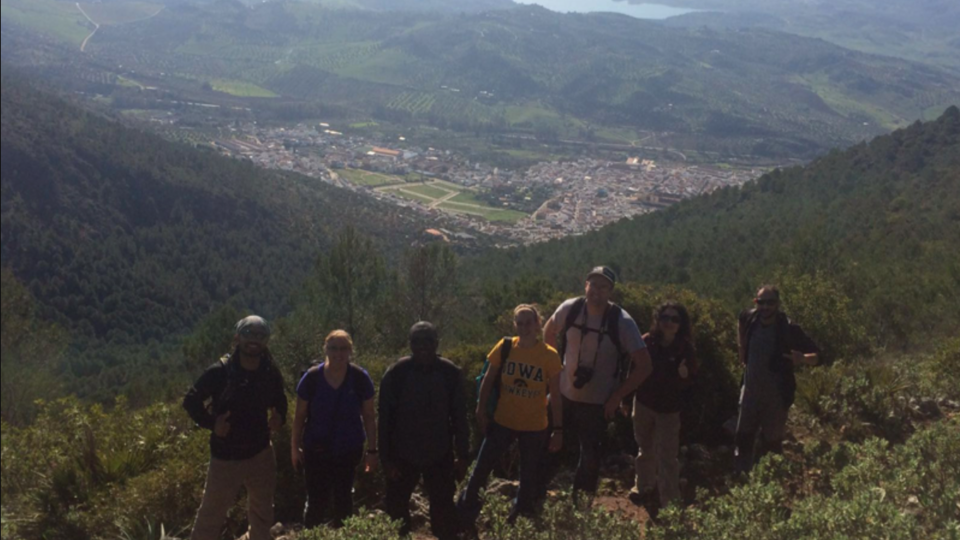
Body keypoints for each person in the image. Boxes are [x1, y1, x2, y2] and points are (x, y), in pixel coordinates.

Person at [542, 267, 653, 498]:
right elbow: (548, 331)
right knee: (546, 446)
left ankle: (580, 509)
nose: (597, 291)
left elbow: (644, 365)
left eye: (603, 287)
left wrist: (617, 396)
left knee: (590, 458)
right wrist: (554, 369)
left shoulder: (621, 321)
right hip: (563, 394)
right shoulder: (570, 308)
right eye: (593, 285)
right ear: (585, 286)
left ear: (611, 291)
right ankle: (534, 497)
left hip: (598, 403)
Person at [182, 316, 287, 540]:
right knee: (211, 514)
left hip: (261, 452)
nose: (254, 340)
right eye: (248, 334)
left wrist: (279, 417)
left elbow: (280, 399)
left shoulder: (269, 370)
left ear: (266, 340)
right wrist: (212, 424)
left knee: (262, 511)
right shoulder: (220, 372)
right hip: (226, 457)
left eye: (260, 335)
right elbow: (191, 400)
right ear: (237, 337)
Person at [458, 305, 565, 525]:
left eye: (529, 323)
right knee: (481, 469)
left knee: (528, 476)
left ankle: (519, 521)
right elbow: (488, 379)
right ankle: (464, 516)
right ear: (515, 325)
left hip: (535, 426)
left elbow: (556, 395)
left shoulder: (549, 356)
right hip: (503, 421)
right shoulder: (505, 346)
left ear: (537, 324)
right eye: (520, 323)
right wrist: (480, 408)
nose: (524, 327)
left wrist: (558, 429)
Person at [379, 322, 469, 540]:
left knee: (444, 517)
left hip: (440, 453)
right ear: (409, 344)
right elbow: (385, 421)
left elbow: (460, 419)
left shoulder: (450, 373)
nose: (422, 346)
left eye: (428, 341)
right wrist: (386, 460)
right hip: (402, 455)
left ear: (437, 343)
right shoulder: (396, 373)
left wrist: (462, 456)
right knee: (396, 517)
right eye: (417, 341)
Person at [291, 330, 378, 529]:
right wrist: (294, 448)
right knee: (316, 500)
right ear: (326, 349)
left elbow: (369, 416)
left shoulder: (359, 378)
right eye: (333, 348)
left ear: (350, 351)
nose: (338, 353)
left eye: (343, 349)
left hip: (348, 449)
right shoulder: (312, 378)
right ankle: (312, 534)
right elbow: (299, 417)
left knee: (344, 498)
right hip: (316, 449)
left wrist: (372, 451)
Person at [735, 285, 820, 474]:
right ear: (755, 303)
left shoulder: (788, 329)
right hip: (749, 391)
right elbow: (740, 321)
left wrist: (802, 358)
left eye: (770, 303)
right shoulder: (749, 318)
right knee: (743, 437)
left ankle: (770, 478)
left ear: (778, 304)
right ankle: (742, 476)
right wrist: (742, 350)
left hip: (776, 396)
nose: (765, 307)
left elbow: (818, 357)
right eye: (761, 302)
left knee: (772, 442)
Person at [629, 302, 698, 510]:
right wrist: (625, 399)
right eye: (664, 318)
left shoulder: (685, 349)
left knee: (667, 456)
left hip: (669, 409)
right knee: (645, 448)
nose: (669, 322)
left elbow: (692, 382)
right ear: (658, 320)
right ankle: (644, 486)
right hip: (644, 403)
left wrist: (684, 376)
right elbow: (632, 371)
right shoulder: (646, 342)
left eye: (674, 319)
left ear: (681, 324)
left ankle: (670, 502)